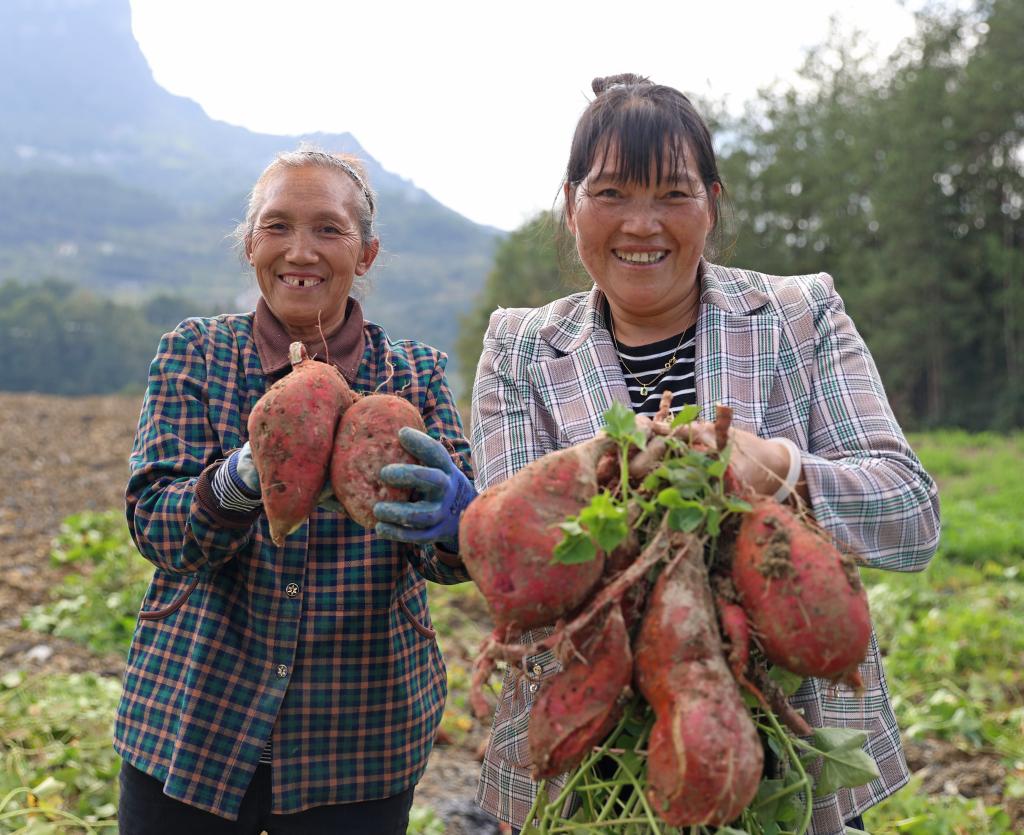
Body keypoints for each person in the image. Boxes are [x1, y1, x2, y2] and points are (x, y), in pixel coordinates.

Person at [467, 75, 940, 834]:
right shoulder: (520, 347)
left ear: (711, 204)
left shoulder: (800, 314)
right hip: (591, 756)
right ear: (571, 205)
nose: (642, 224)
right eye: (613, 193)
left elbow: (911, 514)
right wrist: (611, 461)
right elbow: (511, 562)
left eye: (673, 194)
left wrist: (780, 469)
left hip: (787, 751)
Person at [115, 148, 476, 834]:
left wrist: (453, 517)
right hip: (191, 724)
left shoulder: (417, 376)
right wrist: (244, 477)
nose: (299, 250)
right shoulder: (195, 353)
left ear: (366, 253)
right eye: (276, 226)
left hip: (357, 744)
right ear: (250, 243)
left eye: (329, 229)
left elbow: (451, 563)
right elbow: (156, 529)